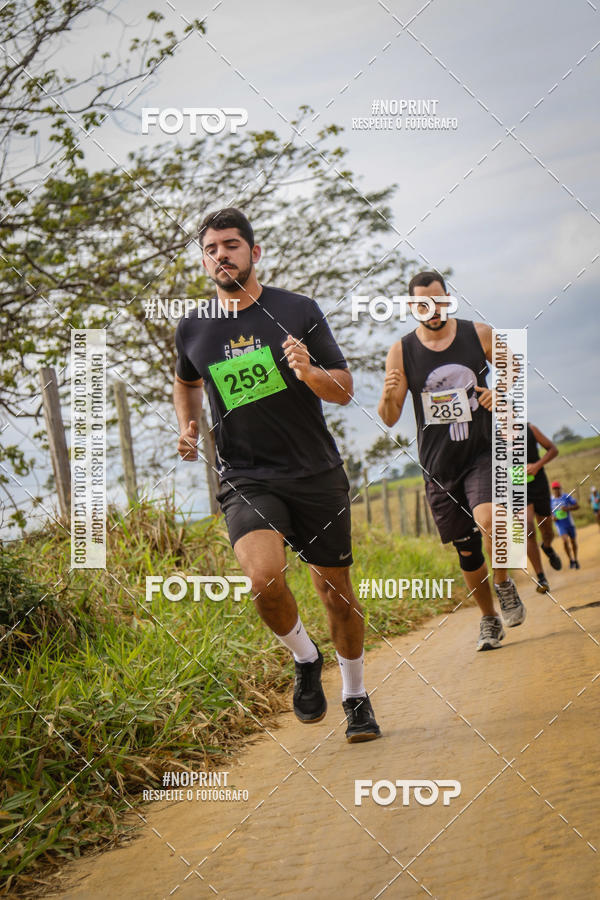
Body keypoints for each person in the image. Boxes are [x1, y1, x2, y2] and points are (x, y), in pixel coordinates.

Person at [173, 207, 381, 743]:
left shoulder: (296, 310)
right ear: (205, 259)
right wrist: (188, 424)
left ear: (254, 253)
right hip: (247, 475)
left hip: (314, 472)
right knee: (263, 578)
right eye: (212, 249)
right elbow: (185, 381)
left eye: (231, 246)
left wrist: (309, 371)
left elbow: (343, 388)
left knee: (335, 592)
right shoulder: (193, 327)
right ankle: (305, 658)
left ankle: (355, 695)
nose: (221, 255)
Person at [378, 270, 526, 652]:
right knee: (467, 550)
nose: (433, 309)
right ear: (413, 307)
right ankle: (489, 619)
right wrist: (389, 394)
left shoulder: (478, 334)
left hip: (481, 449)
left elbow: (514, 370)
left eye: (440, 300)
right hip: (438, 463)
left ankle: (504, 584)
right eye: (423, 304)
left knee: (490, 519)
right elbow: (390, 416)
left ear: (449, 298)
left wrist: (499, 395)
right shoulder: (401, 351)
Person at [524, 423, 562, 593]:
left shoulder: (530, 429)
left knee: (547, 530)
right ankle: (541, 578)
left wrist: (537, 465)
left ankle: (547, 547)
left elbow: (553, 449)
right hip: (517, 488)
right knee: (528, 530)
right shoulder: (494, 436)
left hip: (538, 484)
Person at [550, 481, 580, 568]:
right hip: (560, 524)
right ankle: (570, 559)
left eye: (558, 488)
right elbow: (549, 513)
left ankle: (576, 559)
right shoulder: (551, 500)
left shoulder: (566, 497)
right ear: (553, 490)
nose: (556, 490)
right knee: (565, 541)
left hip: (569, 523)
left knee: (573, 542)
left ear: (560, 488)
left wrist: (568, 508)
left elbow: (577, 506)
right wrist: (552, 517)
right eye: (555, 489)